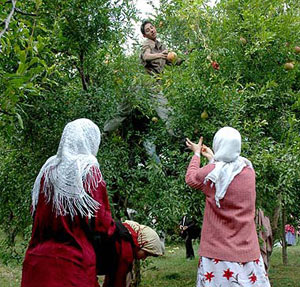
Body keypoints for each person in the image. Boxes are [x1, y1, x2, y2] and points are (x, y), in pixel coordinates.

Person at [21, 118, 115, 287]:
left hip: (36, 264)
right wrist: (122, 233)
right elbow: (102, 223)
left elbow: (35, 212)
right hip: (72, 266)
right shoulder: (87, 169)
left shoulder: (47, 170)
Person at [185, 127, 271, 287]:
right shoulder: (248, 171)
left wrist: (197, 153)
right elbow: (225, 172)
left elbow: (191, 179)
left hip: (217, 256)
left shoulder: (213, 173)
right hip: (248, 253)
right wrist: (213, 158)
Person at [103, 220, 163, 287]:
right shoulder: (125, 248)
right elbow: (118, 281)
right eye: (146, 254)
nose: (143, 258)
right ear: (141, 243)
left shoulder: (122, 232)